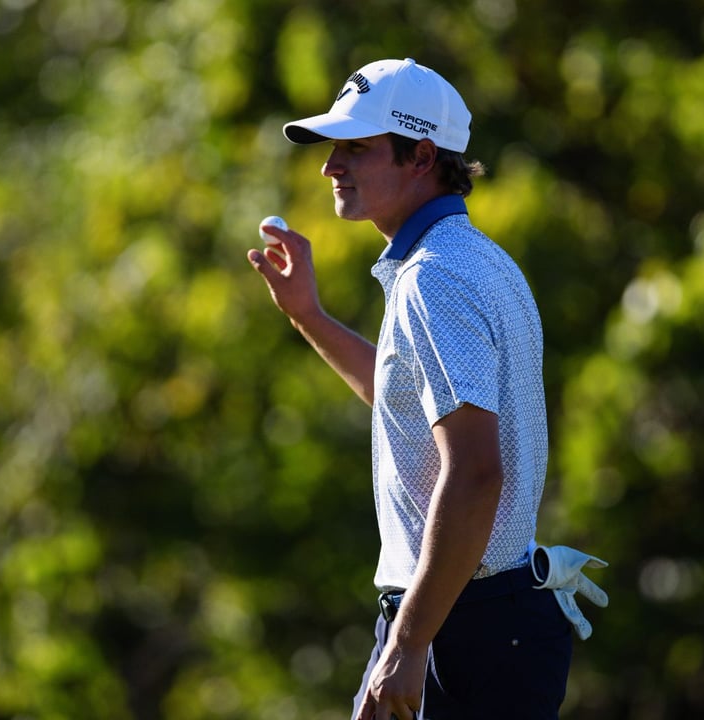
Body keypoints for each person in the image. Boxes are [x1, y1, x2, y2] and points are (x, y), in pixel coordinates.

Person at [247, 58, 592, 720]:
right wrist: (310, 317)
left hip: (462, 626)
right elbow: (411, 413)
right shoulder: (474, 259)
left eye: (357, 147)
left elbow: (474, 473)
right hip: (471, 616)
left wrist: (409, 642)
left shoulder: (434, 278)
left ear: (422, 156)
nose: (330, 166)